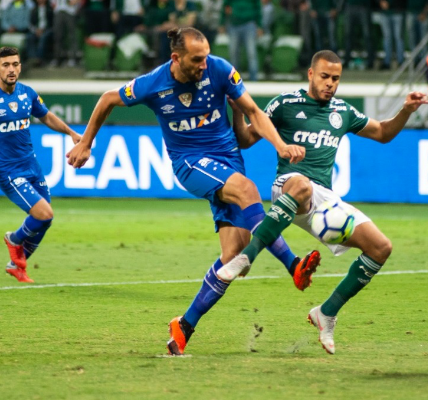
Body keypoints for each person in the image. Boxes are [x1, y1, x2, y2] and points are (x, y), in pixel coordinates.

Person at [65, 27, 320, 356]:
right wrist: (86, 142)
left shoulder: (220, 69)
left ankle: (184, 325)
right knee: (248, 189)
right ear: (176, 58)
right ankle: (293, 266)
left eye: (206, 56)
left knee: (235, 258)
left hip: (229, 160)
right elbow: (107, 99)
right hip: (191, 163)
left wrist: (280, 145)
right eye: (196, 59)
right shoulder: (154, 84)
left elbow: (254, 112)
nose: (204, 64)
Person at [220, 50, 428, 354]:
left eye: (336, 79)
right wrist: (238, 110)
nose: (330, 83)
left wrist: (406, 111)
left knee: (381, 247)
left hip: (325, 198)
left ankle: (327, 312)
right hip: (288, 187)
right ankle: (246, 256)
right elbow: (245, 140)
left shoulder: (343, 111)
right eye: (325, 77)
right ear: (310, 74)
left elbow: (383, 133)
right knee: (302, 184)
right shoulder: (285, 103)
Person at [0, 46, 81, 283]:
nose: (11, 69)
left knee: (46, 220)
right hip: (8, 171)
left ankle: (16, 265)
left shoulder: (28, 93)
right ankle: (13, 239)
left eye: (15, 64)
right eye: (5, 65)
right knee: (44, 213)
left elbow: (47, 116)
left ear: (20, 66)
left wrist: (71, 133)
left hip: (31, 166)